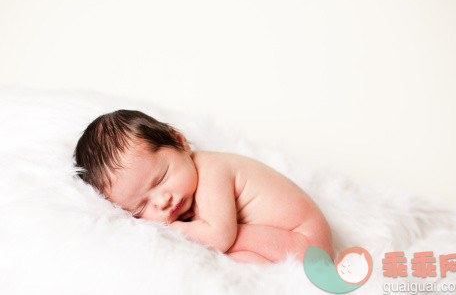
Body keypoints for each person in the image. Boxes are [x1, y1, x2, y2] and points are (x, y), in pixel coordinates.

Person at [74, 110, 333, 264]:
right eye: (141, 206)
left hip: (306, 244)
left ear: (180, 142)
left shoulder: (212, 170)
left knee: (220, 246)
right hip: (287, 244)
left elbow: (219, 237)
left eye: (161, 177)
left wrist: (174, 227)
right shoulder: (188, 187)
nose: (161, 200)